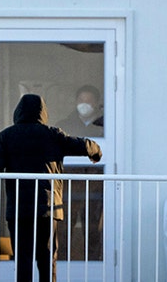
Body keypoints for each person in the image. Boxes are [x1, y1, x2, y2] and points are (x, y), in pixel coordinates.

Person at [0, 94, 101, 282]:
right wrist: (96, 153)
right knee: (46, 257)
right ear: (42, 112)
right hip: (47, 206)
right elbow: (82, 145)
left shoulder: (7, 136)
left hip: (19, 208)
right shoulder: (52, 134)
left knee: (23, 258)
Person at [53, 85, 105, 261]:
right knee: (64, 227)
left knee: (92, 228)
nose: (85, 104)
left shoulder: (106, 127)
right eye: (81, 100)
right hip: (68, 187)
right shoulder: (63, 126)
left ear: (97, 103)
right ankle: (61, 261)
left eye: (89, 101)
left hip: (95, 188)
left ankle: (94, 262)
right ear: (75, 102)